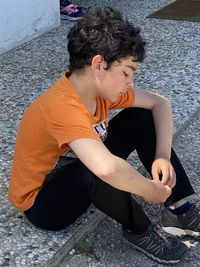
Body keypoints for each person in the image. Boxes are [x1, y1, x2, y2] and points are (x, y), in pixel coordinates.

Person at [8, 7, 200, 264]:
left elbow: (159, 103)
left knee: (139, 117)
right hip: (44, 205)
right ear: (98, 64)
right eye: (127, 72)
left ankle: (181, 208)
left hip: (81, 171)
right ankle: (139, 230)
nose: (129, 83)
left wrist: (162, 156)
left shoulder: (99, 90)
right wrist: (147, 190)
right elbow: (107, 169)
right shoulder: (61, 106)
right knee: (100, 168)